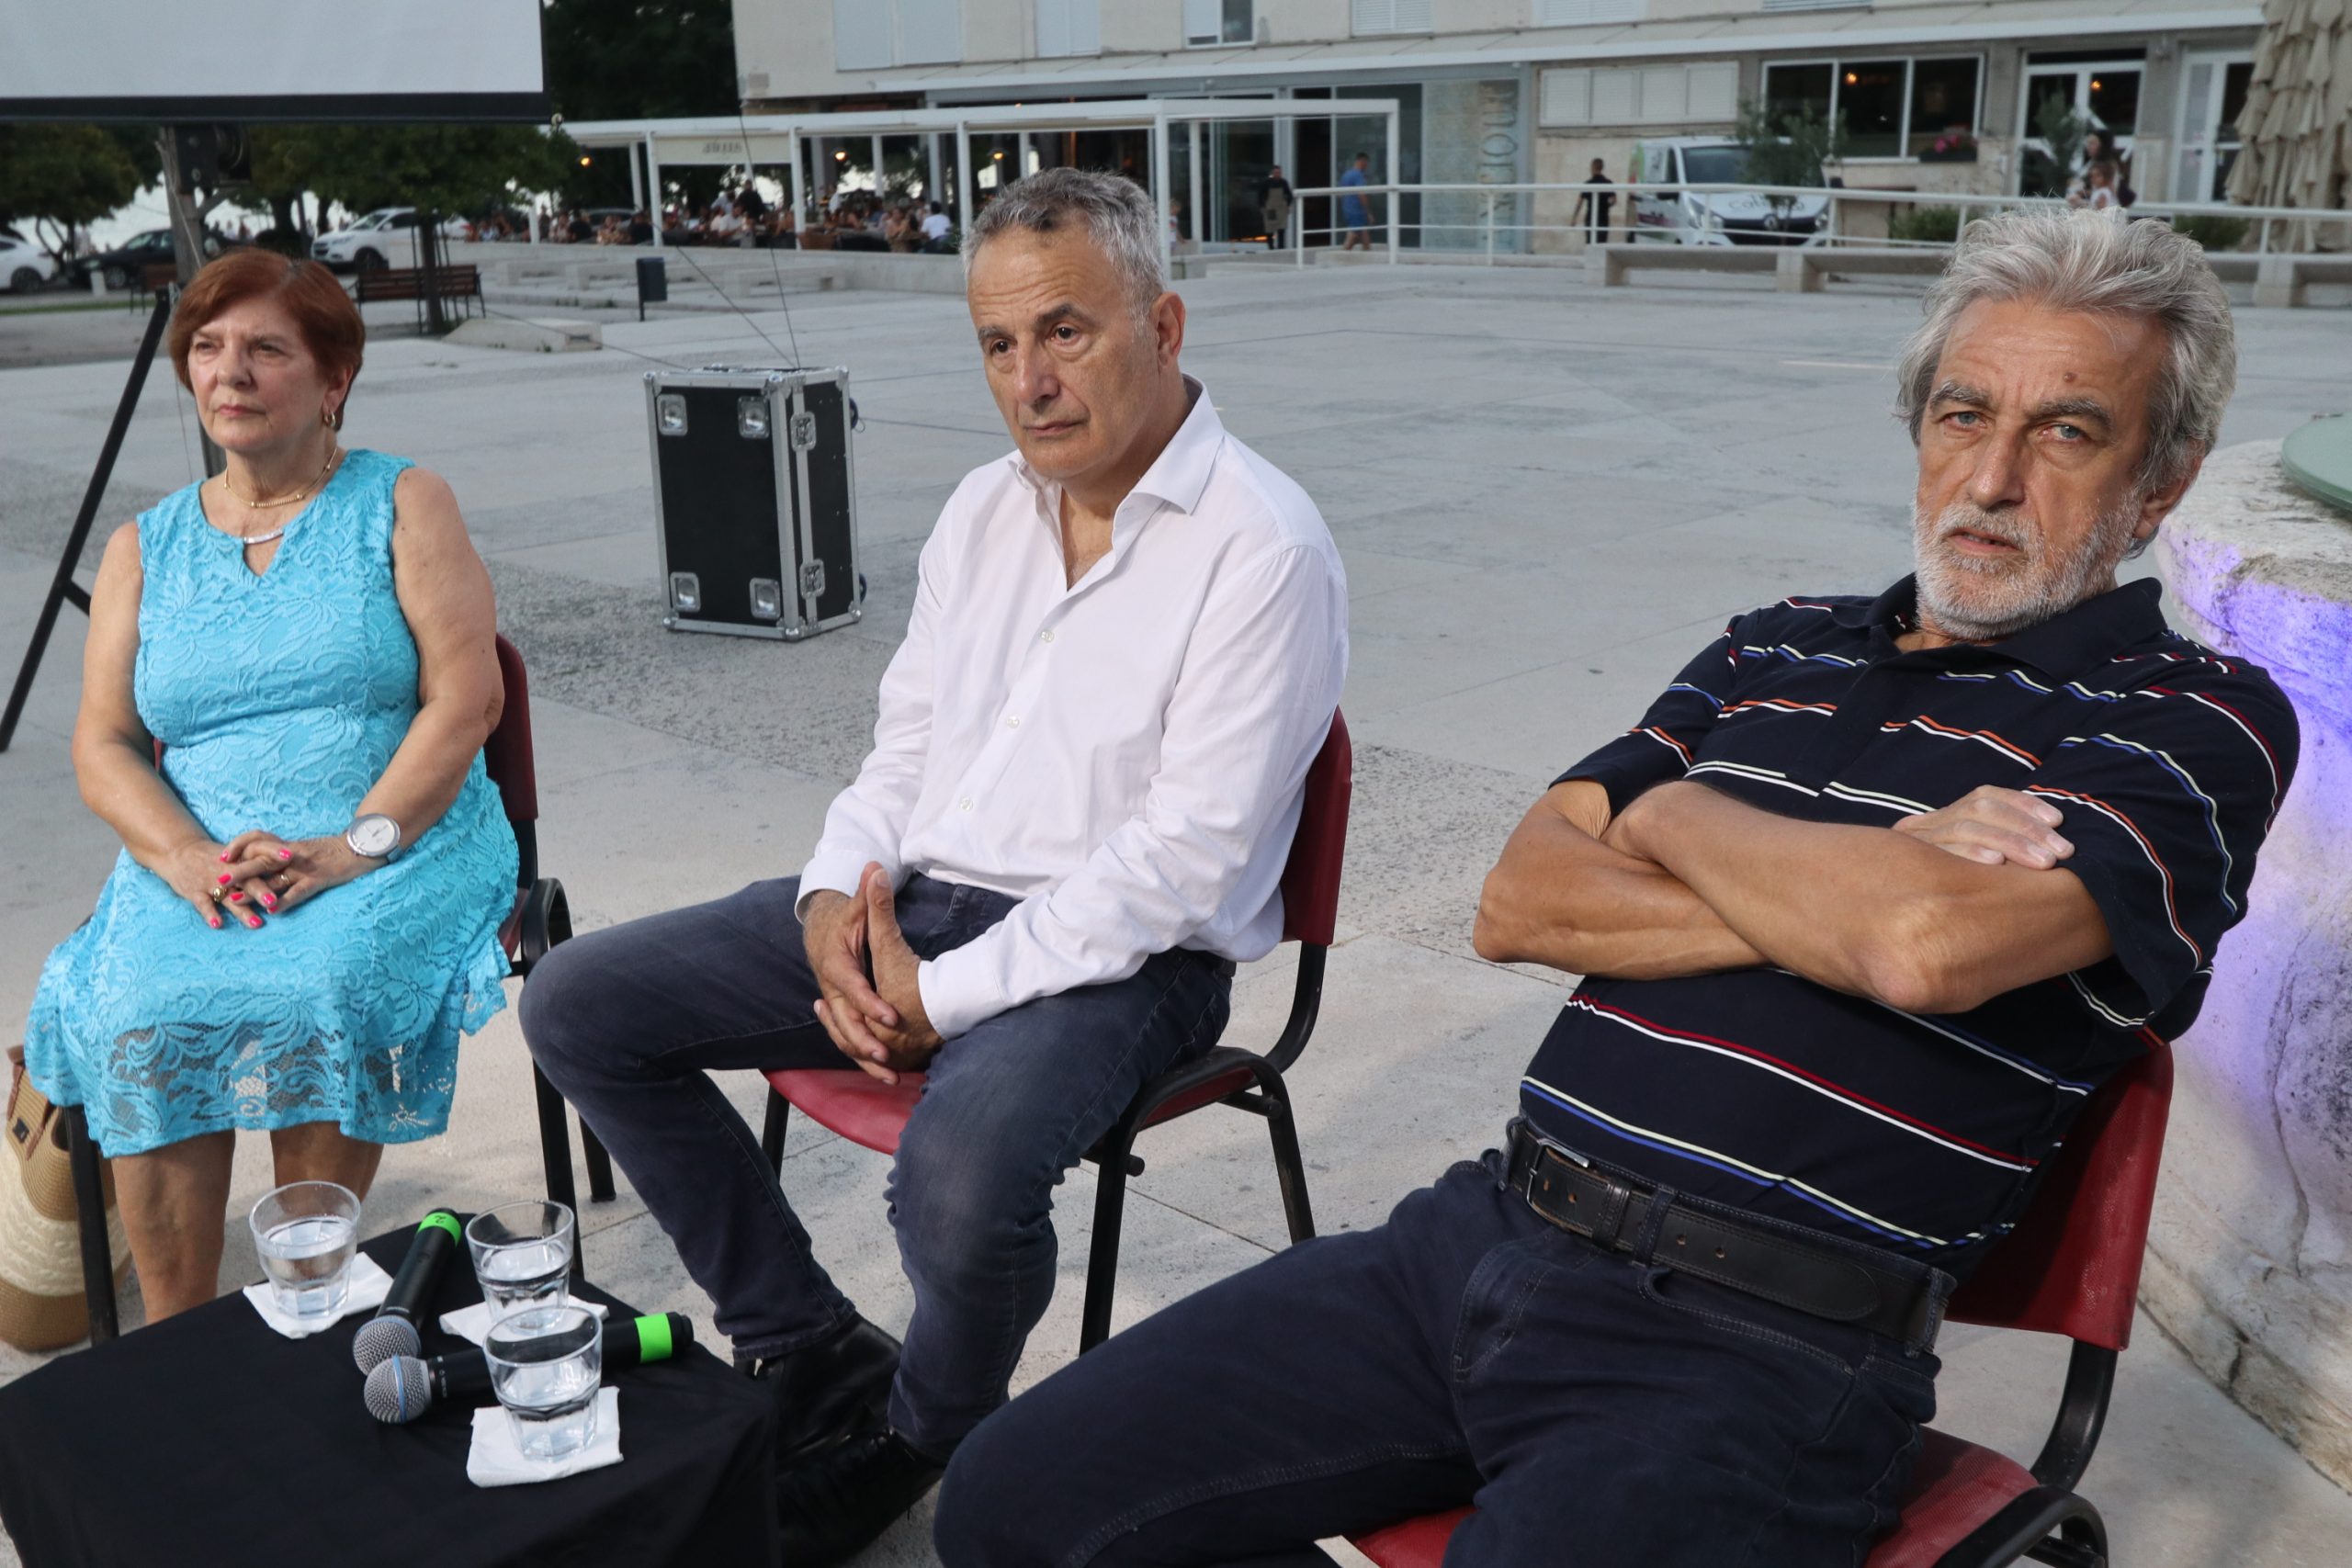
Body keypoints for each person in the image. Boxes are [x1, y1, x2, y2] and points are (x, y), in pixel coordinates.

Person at [934, 208, 2298, 1567]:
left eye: (2066, 432)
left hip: (1758, 1350)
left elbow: (1921, 945)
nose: (1991, 477)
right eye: (1962, 414)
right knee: (1013, 1498)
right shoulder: (1777, 646)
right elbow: (1521, 900)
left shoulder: (2197, 718)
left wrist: (1669, 822)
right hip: (1481, 1234)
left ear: (2160, 483)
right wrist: (1816, 860)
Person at [520, 166, 1347, 1566]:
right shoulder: (984, 508)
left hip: (1128, 956)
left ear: (1164, 325)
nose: (1030, 381)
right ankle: (807, 1340)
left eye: (1066, 331)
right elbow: (905, 743)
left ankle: (923, 1430)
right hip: (920, 902)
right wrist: (830, 899)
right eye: (998, 344)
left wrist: (938, 995)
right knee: (577, 1002)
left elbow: (1181, 863)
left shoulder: (1263, 547)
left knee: (955, 1179)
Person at [20, 252, 518, 1324]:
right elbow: (104, 741)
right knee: (137, 1006)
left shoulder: (403, 500)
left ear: (334, 379)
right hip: (200, 860)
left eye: (265, 349)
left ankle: (312, 1298)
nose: (229, 372)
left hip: (396, 838)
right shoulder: (143, 546)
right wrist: (184, 858)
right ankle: (182, 1339)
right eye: (207, 348)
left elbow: (466, 698)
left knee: (320, 982)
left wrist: (351, 848)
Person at [1575, 156, 1616, 245]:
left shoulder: (1588, 184)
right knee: (1602, 244)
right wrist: (1606, 206)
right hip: (1603, 218)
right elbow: (1614, 200)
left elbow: (1579, 203)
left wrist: (1574, 218)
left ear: (1593, 167)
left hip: (1590, 218)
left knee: (1590, 243)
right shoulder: (1608, 183)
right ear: (1602, 168)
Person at [1339, 152, 1375, 251]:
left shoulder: (1346, 174)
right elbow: (1361, 194)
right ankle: (1342, 256)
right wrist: (1368, 212)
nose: (1367, 166)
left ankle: (1367, 254)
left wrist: (1345, 206)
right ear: (1362, 161)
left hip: (1349, 210)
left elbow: (1340, 194)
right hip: (1357, 211)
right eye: (1366, 163)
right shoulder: (1358, 175)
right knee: (1353, 235)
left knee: (1364, 235)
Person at [1257, 164, 1294, 250]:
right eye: (1276, 173)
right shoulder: (1266, 183)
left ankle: (1281, 248)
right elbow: (1260, 195)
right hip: (1271, 209)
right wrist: (1262, 206)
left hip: (1281, 209)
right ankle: (1271, 247)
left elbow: (1289, 195)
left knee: (1281, 229)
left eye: (1279, 173)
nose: (1278, 174)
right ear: (1272, 173)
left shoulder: (1283, 182)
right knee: (1270, 228)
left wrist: (1287, 205)